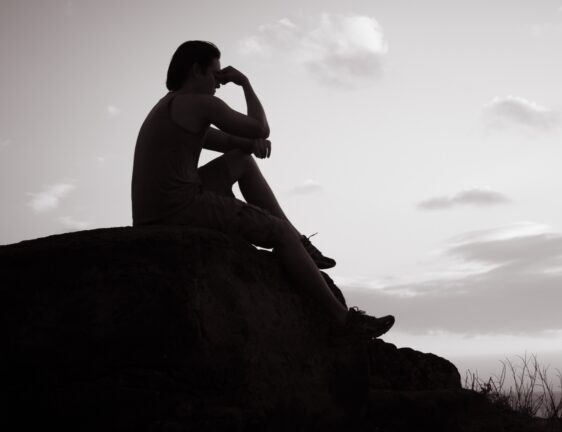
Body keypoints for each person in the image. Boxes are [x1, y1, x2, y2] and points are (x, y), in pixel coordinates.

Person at [131, 40, 394, 341]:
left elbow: (227, 142)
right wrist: (245, 83)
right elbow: (260, 127)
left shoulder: (171, 105)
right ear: (196, 70)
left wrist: (248, 146)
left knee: (241, 161)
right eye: (215, 76)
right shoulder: (201, 103)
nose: (219, 84)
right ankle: (341, 319)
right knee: (278, 233)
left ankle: (300, 241)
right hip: (180, 207)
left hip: (160, 208)